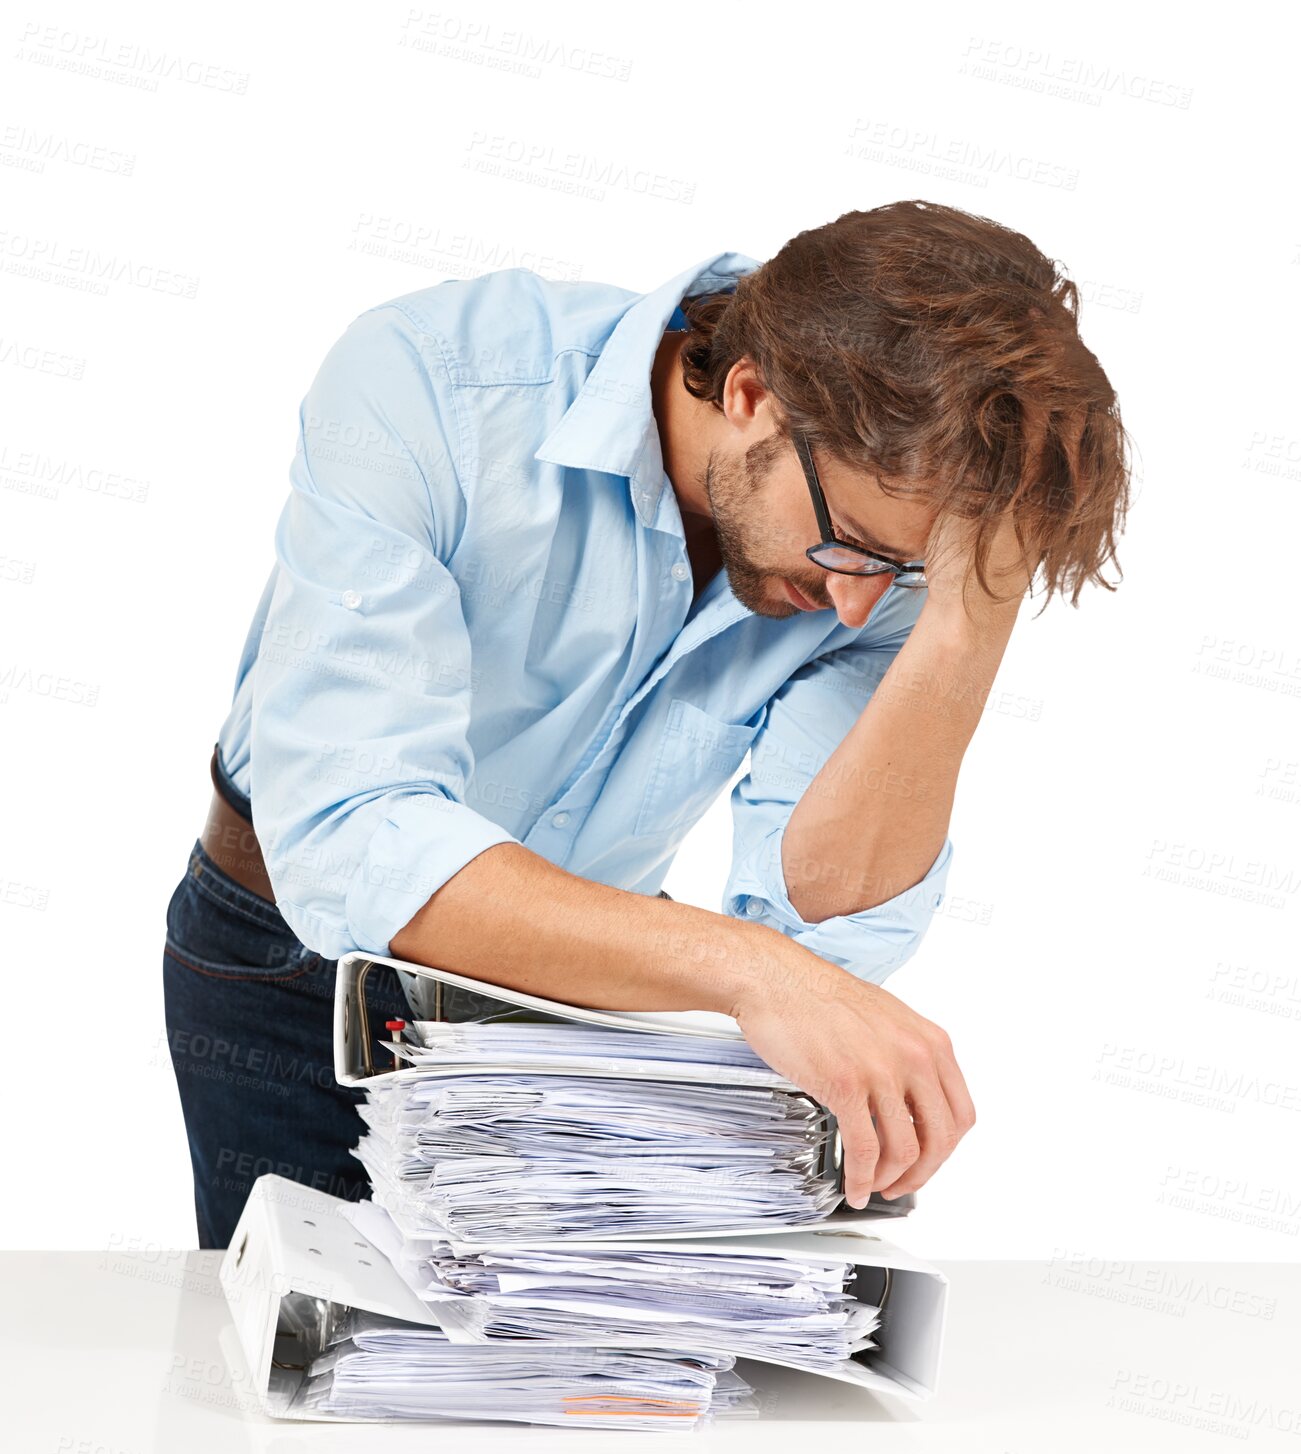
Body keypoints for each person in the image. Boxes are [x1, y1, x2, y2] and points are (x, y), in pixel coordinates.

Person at [163, 200, 1130, 1249]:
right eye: (851, 546)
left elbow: (828, 931)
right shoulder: (430, 379)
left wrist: (957, 625)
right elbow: (351, 841)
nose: (862, 605)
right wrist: (749, 972)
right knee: (308, 1384)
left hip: (588, 993)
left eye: (900, 573)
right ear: (753, 395)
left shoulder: (888, 554)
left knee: (572, 1382)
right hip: (291, 961)